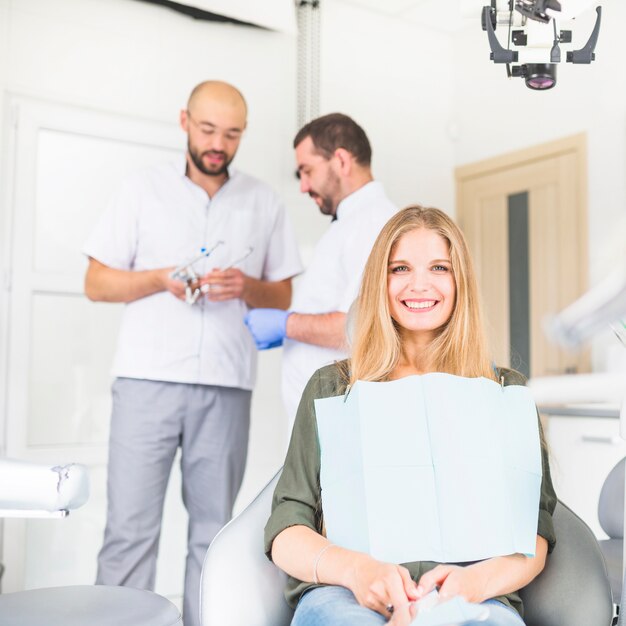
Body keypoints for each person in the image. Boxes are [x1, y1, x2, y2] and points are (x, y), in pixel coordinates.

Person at [264, 206, 557, 626]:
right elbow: (286, 529)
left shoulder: (506, 392)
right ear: (379, 282)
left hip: (473, 598)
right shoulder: (333, 388)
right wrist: (358, 572)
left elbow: (536, 533)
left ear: (461, 283)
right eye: (400, 268)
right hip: (346, 597)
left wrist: (470, 586)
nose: (419, 284)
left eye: (439, 267)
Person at [83, 80, 302, 626]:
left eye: (231, 134)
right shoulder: (141, 190)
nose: (217, 144)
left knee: (214, 533)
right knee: (130, 530)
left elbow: (284, 294)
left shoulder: (263, 200)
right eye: (207, 130)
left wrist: (245, 286)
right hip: (146, 381)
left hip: (226, 386)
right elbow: (96, 282)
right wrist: (158, 278)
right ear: (184, 121)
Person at [244, 113, 398, 423]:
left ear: (341, 160)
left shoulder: (372, 224)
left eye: (307, 171)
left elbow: (362, 327)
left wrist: (286, 324)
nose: (302, 186)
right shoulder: (349, 223)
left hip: (339, 417)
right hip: (323, 416)